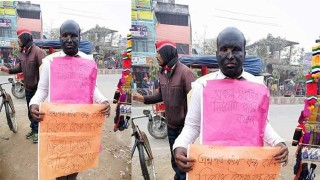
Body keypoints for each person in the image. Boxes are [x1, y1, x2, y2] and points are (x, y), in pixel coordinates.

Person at [173, 27, 289, 173]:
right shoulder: (202, 87)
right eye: (224, 49)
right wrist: (180, 145)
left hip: (249, 168)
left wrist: (278, 142)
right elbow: (193, 125)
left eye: (236, 49)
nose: (230, 56)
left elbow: (262, 125)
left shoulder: (258, 87)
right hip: (214, 168)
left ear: (244, 54)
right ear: (216, 54)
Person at [29, 20, 111, 180]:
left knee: (74, 165)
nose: (69, 39)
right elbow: (42, 90)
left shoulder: (89, 62)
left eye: (73, 35)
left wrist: (103, 100)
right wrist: (33, 104)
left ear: (80, 37)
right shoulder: (49, 62)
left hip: (80, 126)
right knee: (59, 169)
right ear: (59, 38)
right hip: (57, 125)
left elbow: (92, 87)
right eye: (64, 35)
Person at [133, 40, 195, 180]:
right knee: (174, 158)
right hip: (171, 125)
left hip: (185, 128)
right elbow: (160, 95)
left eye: (159, 53)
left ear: (167, 53)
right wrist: (142, 98)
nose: (157, 56)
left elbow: (194, 102)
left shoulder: (186, 73)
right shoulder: (162, 73)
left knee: (184, 160)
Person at [0, 29, 45, 143]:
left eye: (19, 38)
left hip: (37, 89)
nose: (18, 41)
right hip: (28, 88)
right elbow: (20, 68)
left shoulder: (38, 52)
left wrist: (42, 88)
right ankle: (34, 129)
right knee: (30, 111)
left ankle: (38, 132)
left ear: (25, 38)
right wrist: (8, 70)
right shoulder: (23, 52)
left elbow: (45, 72)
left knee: (36, 112)